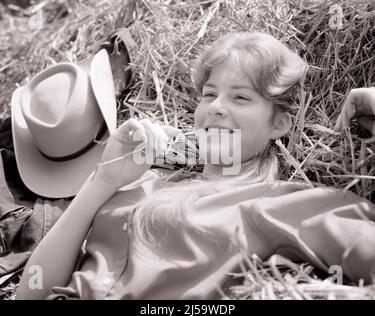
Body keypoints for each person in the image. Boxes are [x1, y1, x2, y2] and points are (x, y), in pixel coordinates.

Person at [16, 32, 375, 300]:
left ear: (280, 124)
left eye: (240, 97)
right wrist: (102, 181)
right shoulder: (140, 183)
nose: (216, 107)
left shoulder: (279, 204)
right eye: (208, 94)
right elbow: (29, 292)